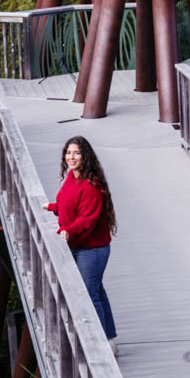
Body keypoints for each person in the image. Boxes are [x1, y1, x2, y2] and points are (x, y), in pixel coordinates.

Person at [42, 135, 118, 355]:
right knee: (97, 290)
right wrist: (53, 207)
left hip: (92, 249)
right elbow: (69, 205)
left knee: (89, 293)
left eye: (76, 153)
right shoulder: (72, 178)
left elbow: (88, 219)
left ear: (85, 156)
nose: (71, 157)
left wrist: (68, 230)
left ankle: (101, 345)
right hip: (78, 244)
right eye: (68, 153)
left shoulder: (92, 184)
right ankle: (109, 340)